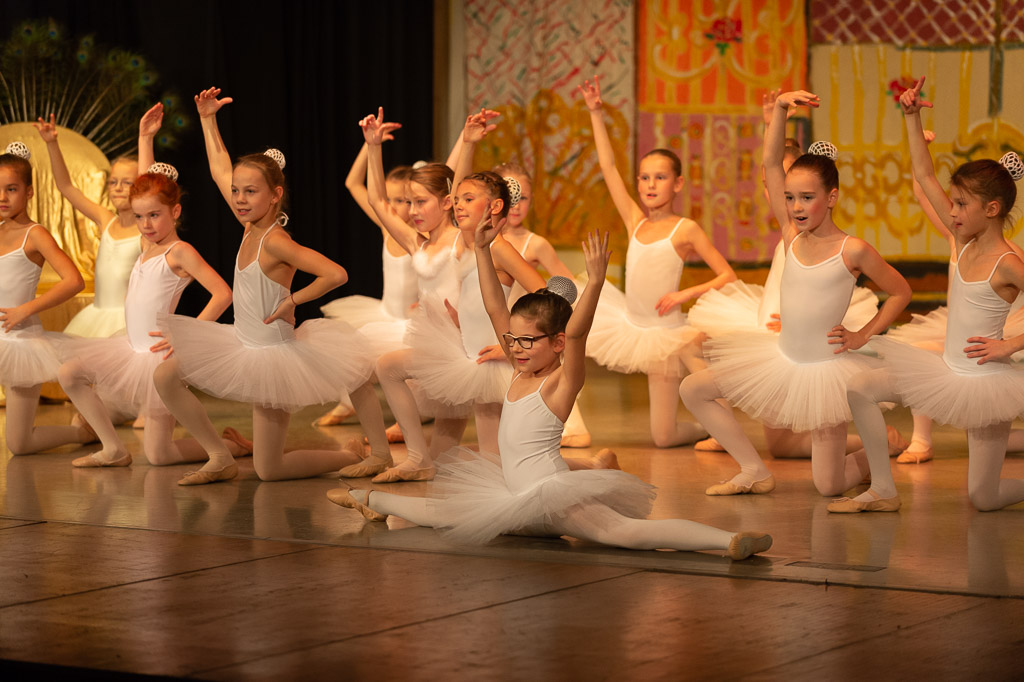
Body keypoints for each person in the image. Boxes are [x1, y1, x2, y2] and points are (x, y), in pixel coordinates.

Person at [329, 230, 773, 561]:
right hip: (516, 498)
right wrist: (483, 250)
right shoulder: (518, 364)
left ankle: (728, 542)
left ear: (555, 344)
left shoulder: (561, 382)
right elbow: (493, 304)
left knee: (624, 533)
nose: (517, 350)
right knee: (450, 512)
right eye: (514, 342)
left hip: (551, 494)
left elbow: (577, 333)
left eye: (529, 343)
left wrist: (596, 282)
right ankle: (369, 501)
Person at [680, 90, 911, 497]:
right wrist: (781, 112)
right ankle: (753, 468)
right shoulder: (790, 236)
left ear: (831, 197)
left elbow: (900, 292)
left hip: (825, 374)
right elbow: (770, 163)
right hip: (781, 357)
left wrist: (862, 336)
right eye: (789, 198)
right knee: (693, 389)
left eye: (807, 198)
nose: (797, 207)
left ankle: (882, 449)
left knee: (829, 485)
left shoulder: (852, 249)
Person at [152, 87, 389, 485]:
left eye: (250, 192)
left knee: (270, 469)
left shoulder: (277, 241)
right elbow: (219, 168)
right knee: (165, 377)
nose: (240, 199)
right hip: (241, 343)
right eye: (236, 192)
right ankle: (219, 455)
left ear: (275, 195)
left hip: (273, 356)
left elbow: (336, 274)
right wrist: (208, 120)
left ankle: (349, 454)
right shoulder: (248, 225)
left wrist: (292, 300)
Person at [836, 77, 1024, 512]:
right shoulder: (962, 241)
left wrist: (1010, 345)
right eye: (952, 202)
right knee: (862, 387)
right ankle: (882, 489)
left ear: (991, 210)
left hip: (984, 384)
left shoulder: (1008, 262)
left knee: (984, 496)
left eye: (960, 205)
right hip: (944, 370)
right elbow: (923, 174)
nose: (951, 212)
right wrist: (912, 115)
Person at [579, 75, 737, 448]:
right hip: (635, 329)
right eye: (646, 178)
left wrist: (684, 296)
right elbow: (609, 169)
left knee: (703, 382)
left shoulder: (685, 230)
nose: (651, 185)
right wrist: (595, 113)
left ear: (677, 184)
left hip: (669, 333)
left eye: (661, 178)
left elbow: (726, 275)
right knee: (663, 437)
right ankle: (706, 429)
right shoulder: (635, 221)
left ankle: (724, 430)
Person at [56, 164, 248, 467]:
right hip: (129, 351)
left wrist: (186, 334)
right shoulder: (146, 245)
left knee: (159, 455)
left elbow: (223, 293)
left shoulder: (180, 251)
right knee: (68, 372)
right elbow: (145, 188)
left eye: (154, 215)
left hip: (157, 357)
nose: (145, 224)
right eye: (139, 216)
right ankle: (113, 449)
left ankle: (229, 448)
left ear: (175, 211)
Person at [0, 141, 89, 454]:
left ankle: (81, 433)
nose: (2, 197)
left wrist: (27, 309)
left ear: (29, 191)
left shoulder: (35, 234)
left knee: (19, 444)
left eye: (11, 189)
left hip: (21, 343)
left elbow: (74, 281)